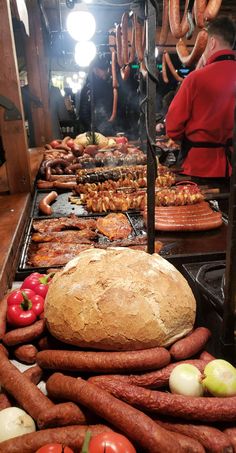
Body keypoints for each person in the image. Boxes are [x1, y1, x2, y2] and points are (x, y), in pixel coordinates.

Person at [166, 16, 236, 178]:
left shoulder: (195, 79)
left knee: (199, 204)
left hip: (200, 168)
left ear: (211, 43)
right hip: (233, 170)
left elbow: (173, 128)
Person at [78, 55, 114, 136]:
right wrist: (93, 130)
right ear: (95, 69)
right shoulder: (88, 87)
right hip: (93, 132)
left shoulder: (107, 84)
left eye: (106, 68)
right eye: (102, 69)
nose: (106, 71)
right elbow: (83, 113)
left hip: (108, 129)